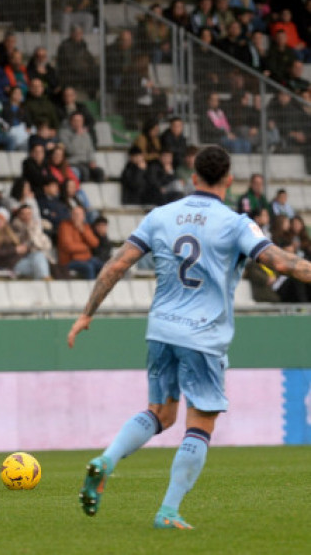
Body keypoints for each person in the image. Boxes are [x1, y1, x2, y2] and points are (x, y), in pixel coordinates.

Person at [67, 146, 311, 529]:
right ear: (229, 179)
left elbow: (116, 265)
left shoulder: (160, 216)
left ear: (192, 176)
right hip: (203, 336)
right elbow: (283, 264)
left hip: (161, 330)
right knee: (200, 422)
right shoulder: (236, 223)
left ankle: (107, 460)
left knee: (159, 413)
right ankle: (168, 511)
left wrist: (86, 314)